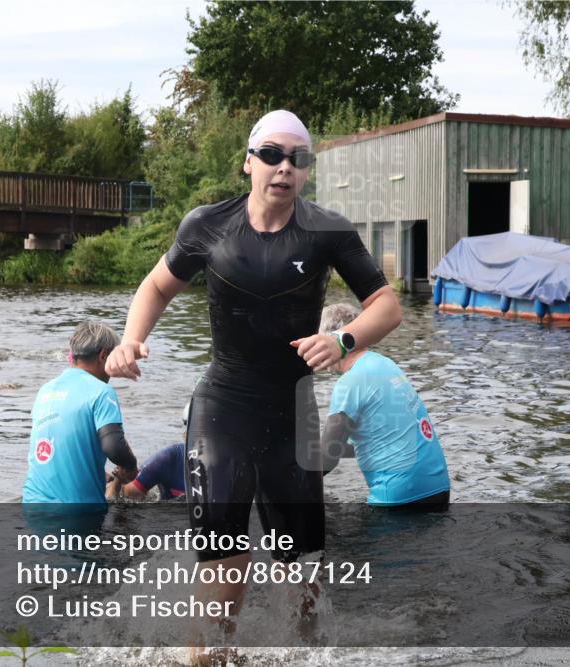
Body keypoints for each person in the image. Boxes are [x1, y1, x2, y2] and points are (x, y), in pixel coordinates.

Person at [105, 109, 401, 647]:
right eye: (271, 154)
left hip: (292, 414)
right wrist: (129, 340)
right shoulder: (207, 225)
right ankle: (204, 659)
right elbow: (154, 288)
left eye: (298, 159)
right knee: (225, 568)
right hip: (225, 409)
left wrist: (342, 340)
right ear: (248, 162)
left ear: (307, 171)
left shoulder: (326, 232)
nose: (284, 167)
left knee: (302, 573)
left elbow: (386, 306)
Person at [318, 304, 450, 509]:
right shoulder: (385, 364)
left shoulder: (350, 381)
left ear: (333, 340)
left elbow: (326, 459)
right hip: (438, 488)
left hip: (400, 497)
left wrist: (282, 482)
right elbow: (380, 435)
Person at [23, 321, 138, 505]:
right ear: (103, 355)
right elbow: (113, 447)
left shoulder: (45, 390)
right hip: (78, 511)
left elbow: (61, 447)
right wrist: (130, 465)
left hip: (32, 503)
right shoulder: (101, 391)